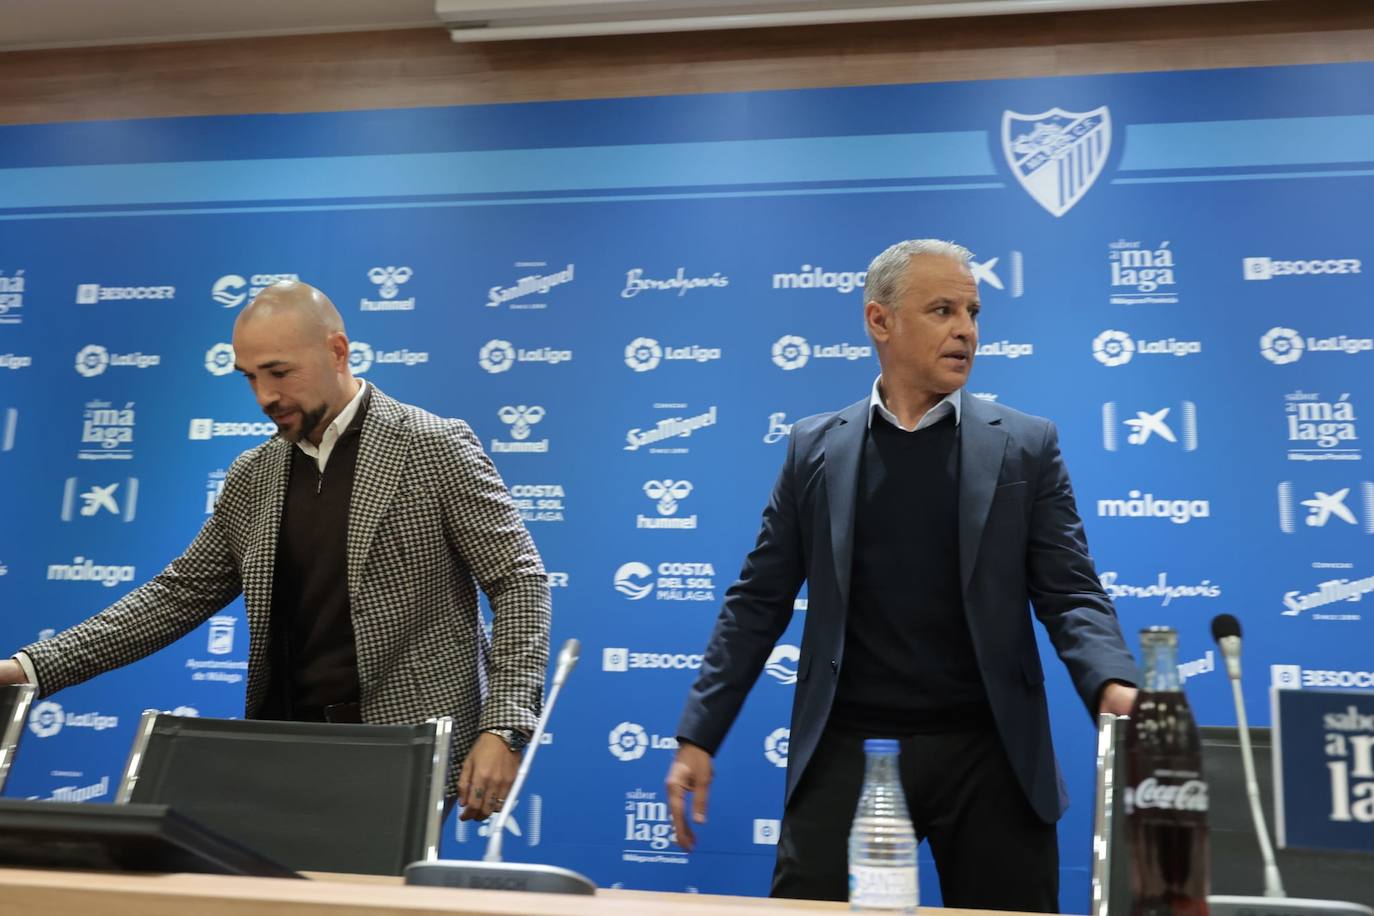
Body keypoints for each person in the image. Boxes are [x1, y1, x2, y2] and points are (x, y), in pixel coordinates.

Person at [666, 239, 1139, 911]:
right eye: (942, 309)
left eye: (973, 311)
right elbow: (758, 601)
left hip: (991, 753)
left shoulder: (1026, 446)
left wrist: (1110, 681)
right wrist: (699, 733)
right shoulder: (814, 448)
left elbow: (1070, 591)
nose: (966, 330)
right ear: (879, 322)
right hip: (848, 749)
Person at [0, 281, 550, 821]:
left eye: (280, 372)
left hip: (400, 754)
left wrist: (502, 727)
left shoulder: (433, 445)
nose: (265, 396)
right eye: (250, 378)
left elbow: (519, 581)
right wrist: (27, 669)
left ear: (338, 351)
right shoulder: (252, 476)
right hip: (276, 749)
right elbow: (177, 594)